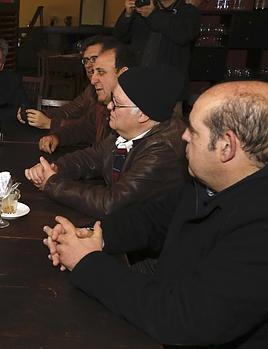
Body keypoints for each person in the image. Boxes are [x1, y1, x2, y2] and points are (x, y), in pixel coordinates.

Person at [44, 80, 268, 348]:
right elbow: (151, 219)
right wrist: (94, 235)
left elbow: (183, 319)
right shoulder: (207, 183)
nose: (183, 135)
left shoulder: (259, 227)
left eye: (194, 131)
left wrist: (87, 262)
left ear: (226, 146)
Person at [25, 65, 187, 218]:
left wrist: (53, 183)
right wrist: (55, 168)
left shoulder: (163, 151)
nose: (109, 106)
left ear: (142, 115)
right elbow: (91, 157)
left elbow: (111, 203)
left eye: (116, 104)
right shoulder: (128, 131)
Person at [36, 41, 138, 154]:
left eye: (101, 72)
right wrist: (57, 137)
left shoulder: (133, 115)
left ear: (122, 73)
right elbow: (83, 127)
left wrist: (51, 123)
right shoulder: (102, 104)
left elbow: (101, 157)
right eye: (86, 61)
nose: (93, 80)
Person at [16, 35, 117, 130]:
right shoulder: (91, 89)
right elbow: (70, 110)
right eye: (85, 61)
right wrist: (35, 115)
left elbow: (88, 129)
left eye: (94, 59)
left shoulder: (119, 95)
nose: (88, 66)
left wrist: (50, 123)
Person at [113, 0, 199, 94]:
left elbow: (183, 35)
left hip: (169, 86)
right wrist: (127, 14)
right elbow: (120, 36)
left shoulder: (188, 11)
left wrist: (152, 14)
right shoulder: (143, 8)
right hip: (137, 80)